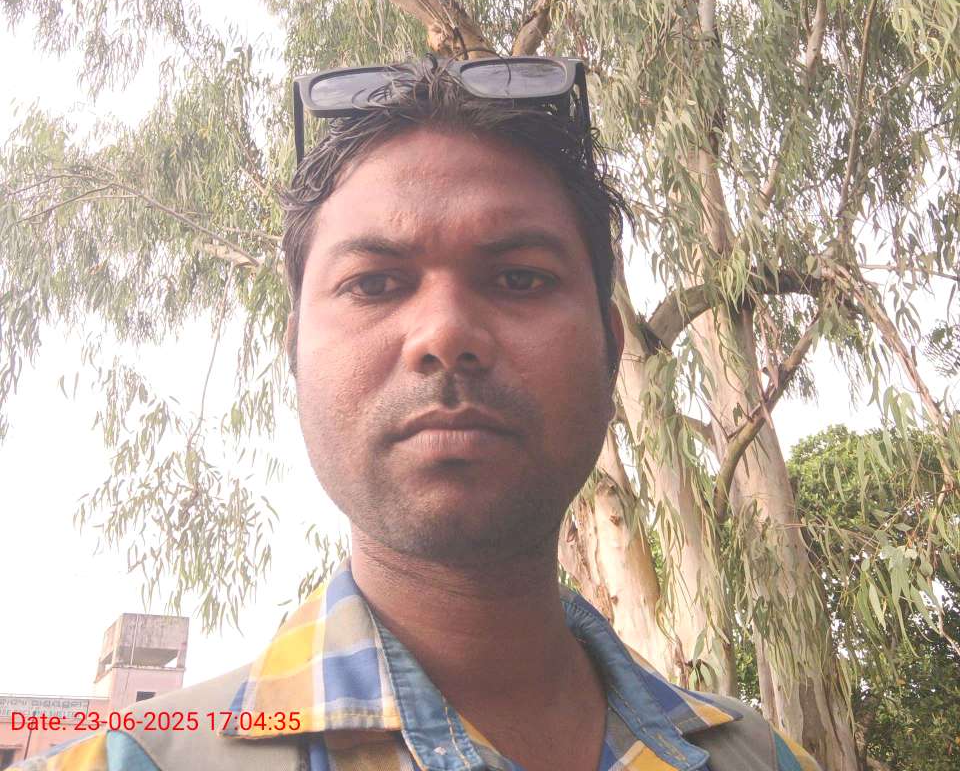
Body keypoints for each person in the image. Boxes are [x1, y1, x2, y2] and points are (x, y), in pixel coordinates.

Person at [17, 57, 822, 771]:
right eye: (373, 283)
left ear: (611, 352)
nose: (445, 334)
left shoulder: (765, 760)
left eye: (520, 278)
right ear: (295, 355)